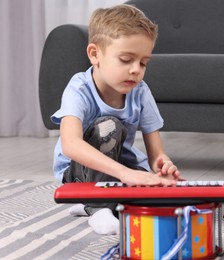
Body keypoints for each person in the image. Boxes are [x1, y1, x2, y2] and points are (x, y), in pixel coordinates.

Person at [51, 4, 181, 235]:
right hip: (77, 172)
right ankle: (98, 207)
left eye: (143, 63)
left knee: (166, 201)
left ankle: (88, 203)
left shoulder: (140, 91)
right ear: (94, 54)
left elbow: (156, 153)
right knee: (109, 125)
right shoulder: (79, 88)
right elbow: (70, 144)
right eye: (125, 59)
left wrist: (162, 166)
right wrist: (125, 174)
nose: (136, 70)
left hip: (119, 168)